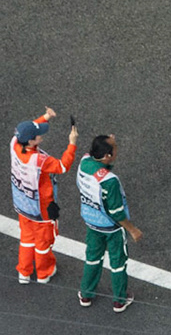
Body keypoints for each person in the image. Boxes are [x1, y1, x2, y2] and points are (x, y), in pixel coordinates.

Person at [76, 133, 142, 310]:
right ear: (107, 156)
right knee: (118, 263)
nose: (117, 149)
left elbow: (91, 153)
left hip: (91, 221)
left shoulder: (84, 163)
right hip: (111, 228)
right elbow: (116, 212)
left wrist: (105, 141)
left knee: (93, 258)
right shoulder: (110, 181)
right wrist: (132, 229)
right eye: (114, 147)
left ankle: (86, 294)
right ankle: (119, 299)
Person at [12, 110, 77, 285]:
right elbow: (63, 166)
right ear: (31, 141)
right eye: (38, 135)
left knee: (26, 239)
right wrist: (72, 144)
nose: (41, 136)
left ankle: (24, 272)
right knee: (43, 243)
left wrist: (45, 117)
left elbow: (25, 129)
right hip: (41, 209)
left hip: (23, 204)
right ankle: (44, 273)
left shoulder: (15, 144)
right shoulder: (40, 161)